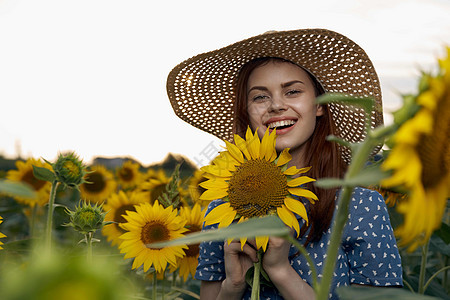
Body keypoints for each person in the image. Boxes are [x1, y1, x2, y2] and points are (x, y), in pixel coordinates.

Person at [166, 29, 403, 300]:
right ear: (246, 111)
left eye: (292, 91)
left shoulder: (359, 206)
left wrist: (280, 271)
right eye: (259, 96)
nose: (276, 105)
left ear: (320, 105)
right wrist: (233, 286)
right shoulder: (222, 210)